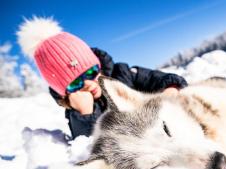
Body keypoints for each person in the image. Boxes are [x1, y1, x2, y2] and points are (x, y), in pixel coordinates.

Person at [17, 17, 188, 139]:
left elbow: (160, 78)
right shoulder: (76, 114)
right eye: (76, 83)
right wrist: (85, 113)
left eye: (91, 72)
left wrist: (171, 88)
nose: (88, 83)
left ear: (98, 64)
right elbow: (89, 145)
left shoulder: (122, 73)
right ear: (66, 93)